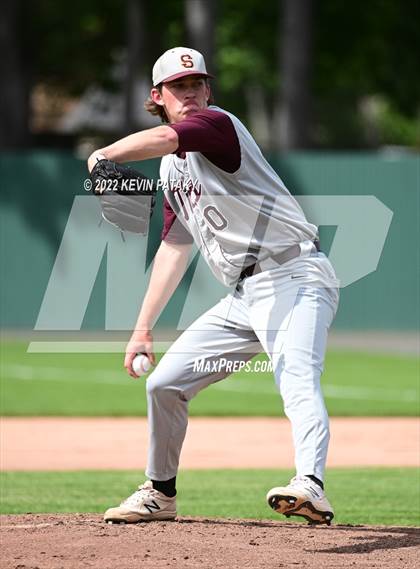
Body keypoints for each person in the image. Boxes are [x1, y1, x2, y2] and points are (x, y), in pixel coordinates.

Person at [87, 47, 339, 525]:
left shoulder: (215, 125)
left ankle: (310, 484)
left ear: (208, 91)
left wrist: (103, 154)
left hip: (295, 277)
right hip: (245, 297)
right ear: (156, 96)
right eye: (179, 87)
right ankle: (160, 494)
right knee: (164, 384)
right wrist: (142, 328)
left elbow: (165, 136)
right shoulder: (171, 169)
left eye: (197, 84)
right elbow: (175, 248)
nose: (191, 93)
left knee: (295, 375)